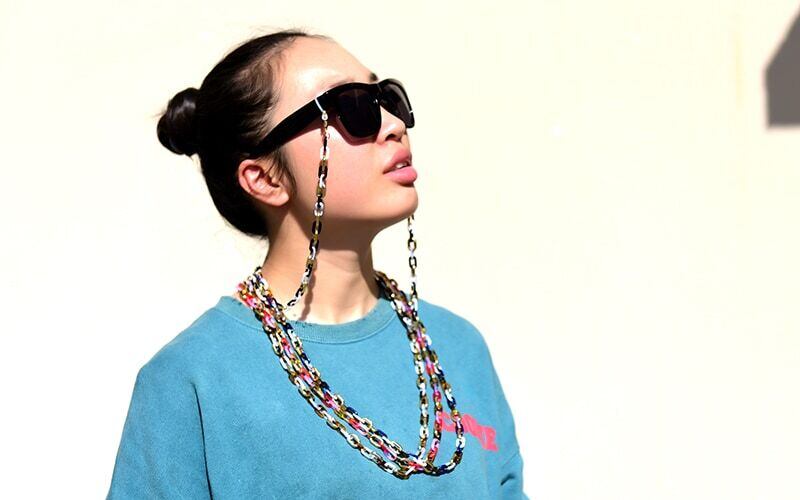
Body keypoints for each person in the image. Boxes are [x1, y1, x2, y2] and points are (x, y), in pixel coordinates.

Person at [107, 28, 528, 499]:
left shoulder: (457, 348)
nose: (393, 124)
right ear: (265, 178)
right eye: (351, 107)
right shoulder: (192, 379)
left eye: (388, 97)